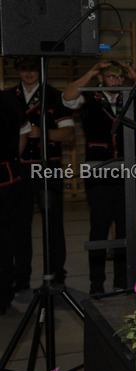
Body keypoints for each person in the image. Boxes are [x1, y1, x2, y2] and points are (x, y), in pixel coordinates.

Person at [63, 61, 136, 294]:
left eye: (120, 77)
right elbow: (67, 97)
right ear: (102, 78)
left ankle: (123, 280)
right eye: (111, 76)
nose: (116, 81)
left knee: (125, 228)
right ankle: (97, 283)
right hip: (98, 171)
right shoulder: (89, 96)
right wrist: (91, 72)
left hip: (127, 171)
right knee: (99, 227)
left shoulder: (129, 96)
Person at [9, 57, 75, 288]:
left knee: (54, 223)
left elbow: (69, 134)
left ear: (41, 70)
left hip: (48, 166)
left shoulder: (55, 95)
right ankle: (21, 277)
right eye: (24, 68)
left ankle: (57, 275)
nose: (28, 73)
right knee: (18, 225)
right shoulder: (8, 96)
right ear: (17, 70)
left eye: (33, 68)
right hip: (18, 168)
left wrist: (43, 133)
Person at [1, 87, 30, 313]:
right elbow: (24, 132)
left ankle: (3, 294)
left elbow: (23, 131)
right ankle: (4, 294)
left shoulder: (9, 99)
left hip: (6, 177)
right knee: (6, 237)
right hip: (9, 175)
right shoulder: (11, 98)